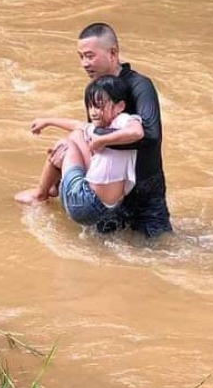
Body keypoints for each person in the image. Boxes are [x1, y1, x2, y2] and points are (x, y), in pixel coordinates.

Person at [15, 22, 172, 238]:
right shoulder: (96, 91)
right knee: (104, 253)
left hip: (145, 187)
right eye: (80, 57)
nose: (84, 64)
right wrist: (71, 165)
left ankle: (46, 191)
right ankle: (54, 187)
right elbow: (92, 137)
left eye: (90, 56)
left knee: (161, 249)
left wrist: (96, 139)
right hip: (112, 189)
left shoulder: (140, 85)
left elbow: (151, 135)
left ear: (113, 53)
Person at [30, 76, 143, 227]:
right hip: (108, 209)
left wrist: (102, 141)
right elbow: (77, 125)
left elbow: (137, 132)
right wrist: (47, 121)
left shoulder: (122, 120)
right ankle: (54, 184)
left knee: (65, 144)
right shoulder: (104, 126)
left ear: (119, 107)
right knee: (77, 134)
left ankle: (41, 194)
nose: (93, 112)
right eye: (90, 106)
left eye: (99, 106)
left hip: (84, 203)